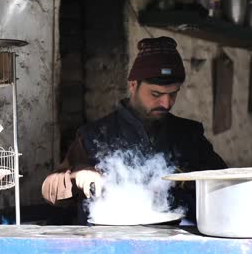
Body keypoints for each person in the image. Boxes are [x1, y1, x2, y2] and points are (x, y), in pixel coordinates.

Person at [42, 37, 227, 224]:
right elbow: (50, 191)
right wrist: (77, 175)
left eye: (173, 93)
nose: (166, 103)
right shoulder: (96, 134)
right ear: (133, 85)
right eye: (156, 94)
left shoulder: (188, 134)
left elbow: (223, 182)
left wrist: (188, 182)